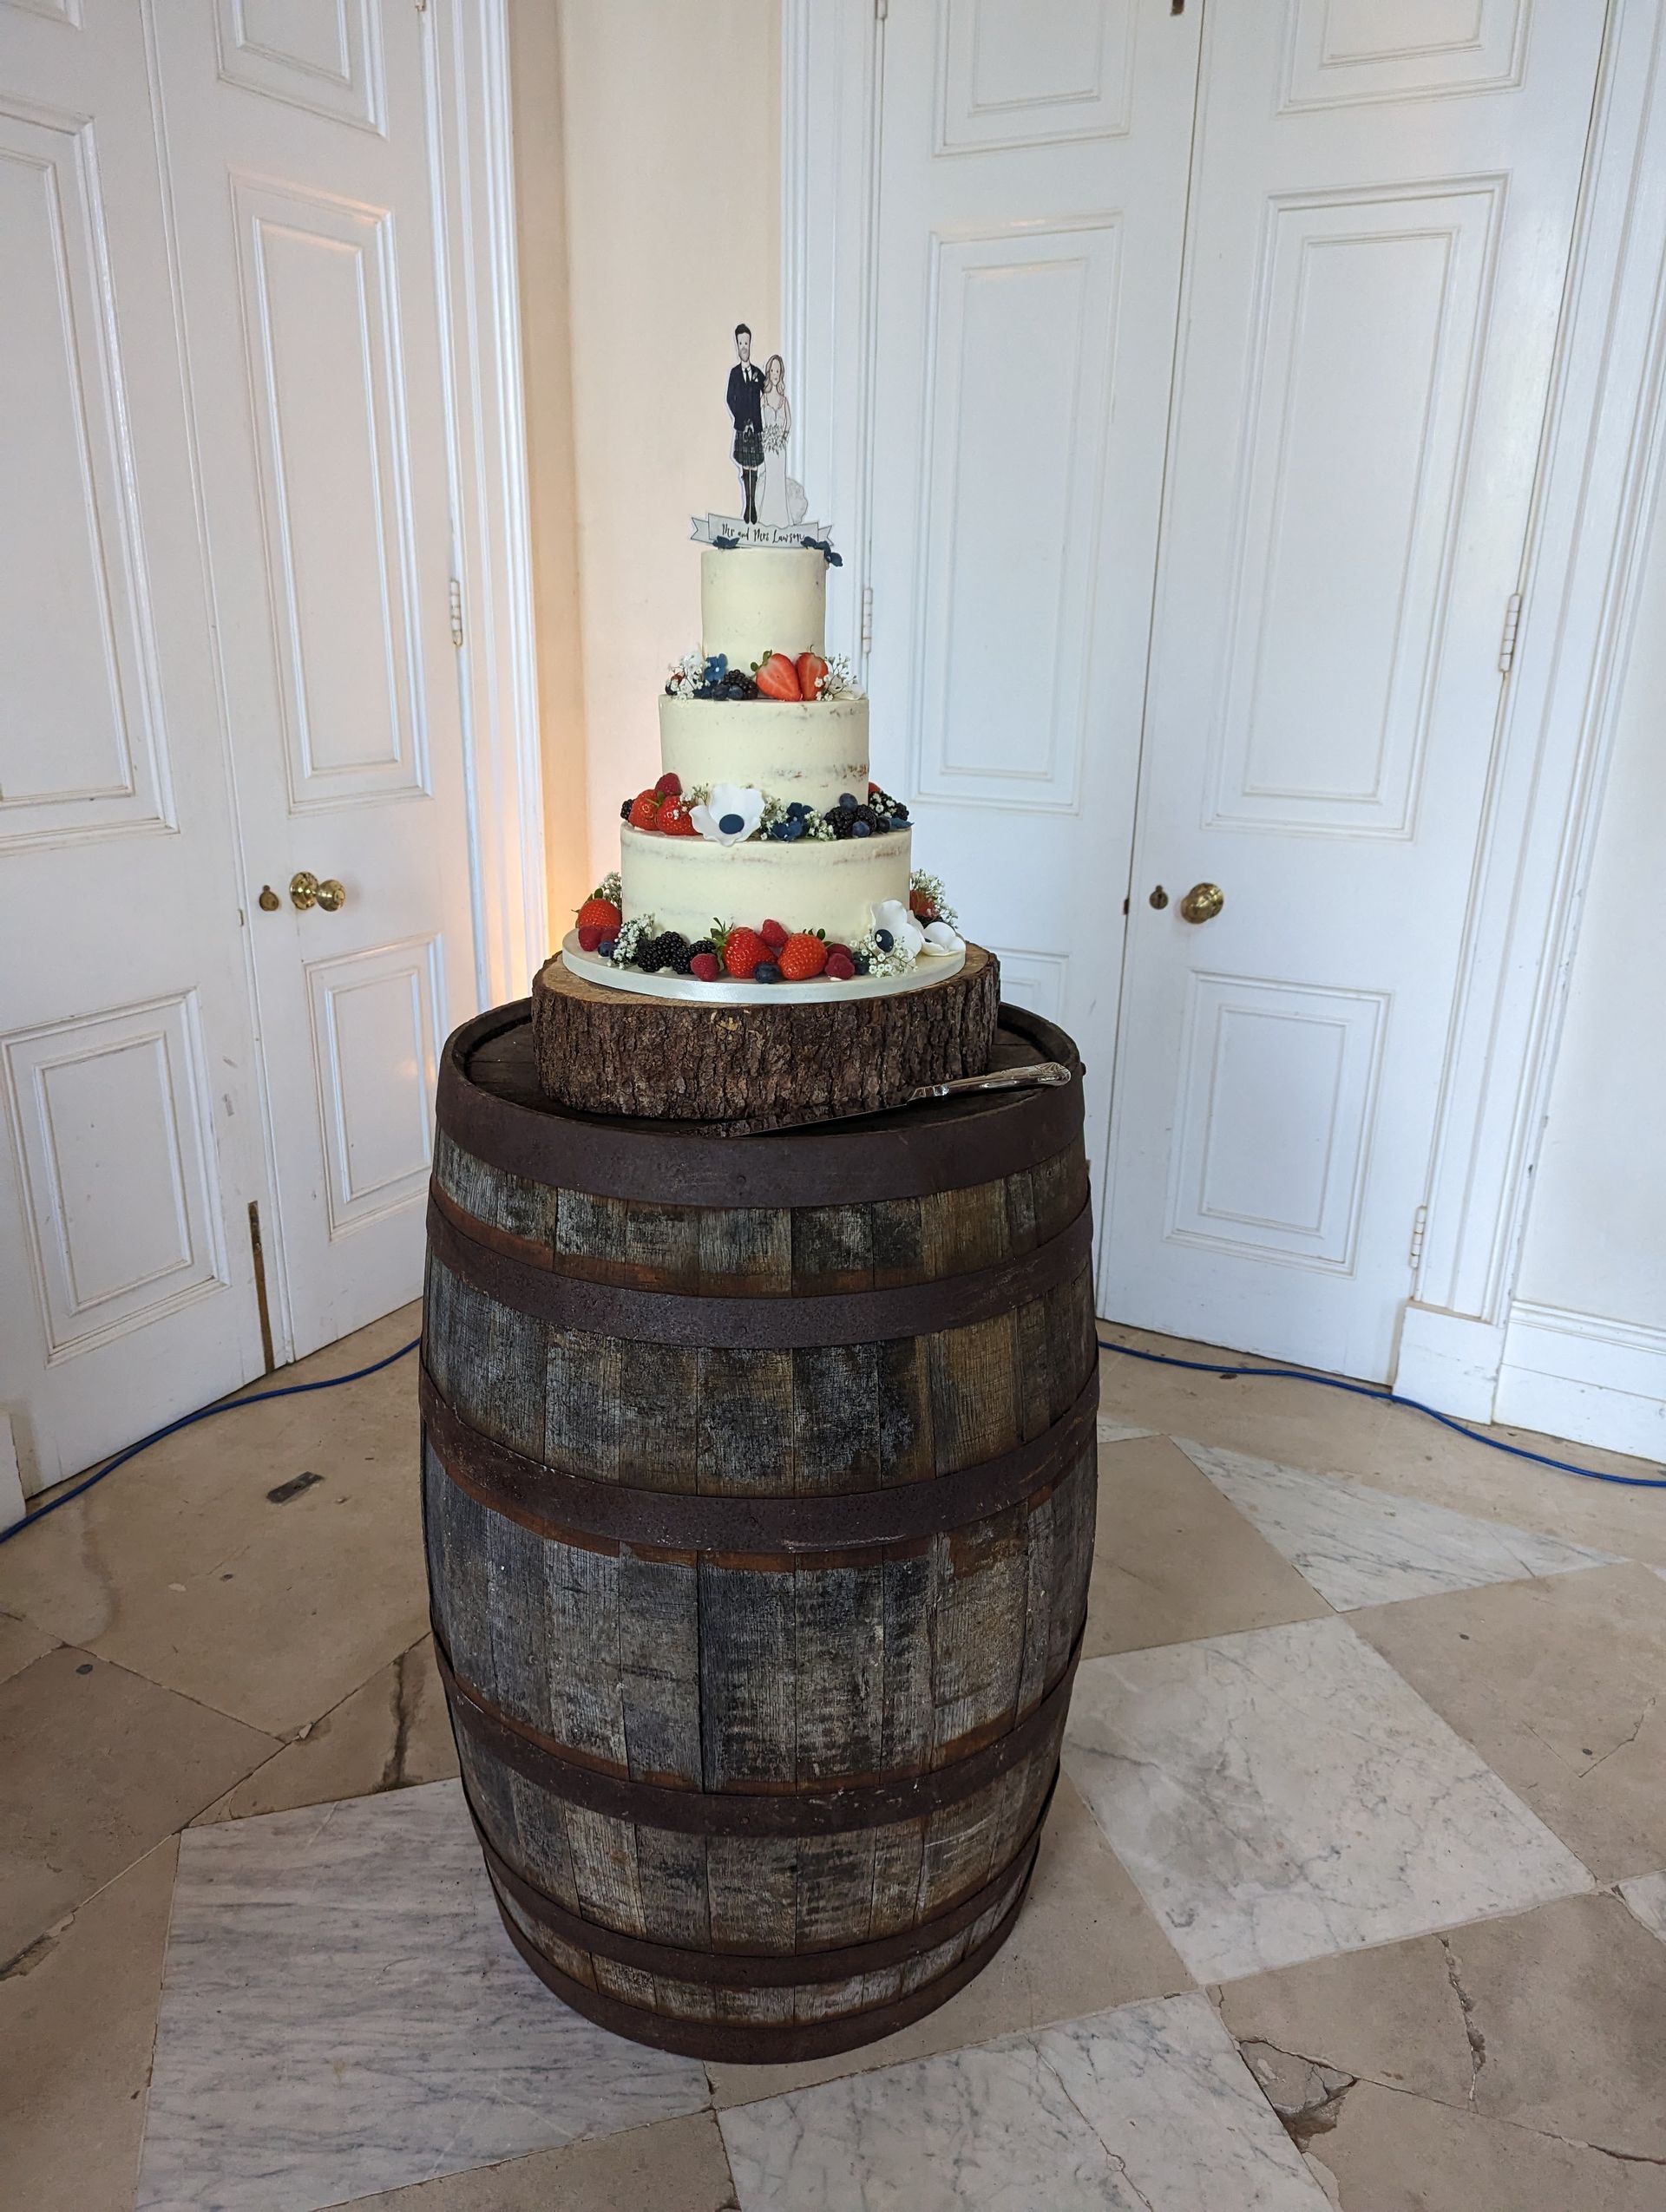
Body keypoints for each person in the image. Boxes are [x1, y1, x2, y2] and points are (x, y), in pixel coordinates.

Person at [726, 324, 765, 524]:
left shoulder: (758, 373)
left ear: (750, 344)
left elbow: (767, 394)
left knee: (754, 466)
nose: (744, 347)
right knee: (745, 467)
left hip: (756, 427)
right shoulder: (734, 374)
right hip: (743, 427)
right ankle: (747, 503)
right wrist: (742, 420)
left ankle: (753, 507)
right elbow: (730, 400)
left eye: (746, 343)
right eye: (740, 343)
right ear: (737, 345)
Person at [757, 354, 802, 527]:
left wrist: (782, 436)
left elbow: (789, 421)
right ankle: (767, 518)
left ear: (781, 373)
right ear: (768, 372)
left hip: (780, 448)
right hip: (768, 446)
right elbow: (759, 419)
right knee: (770, 479)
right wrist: (766, 436)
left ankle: (782, 519)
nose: (775, 373)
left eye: (778, 370)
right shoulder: (764, 398)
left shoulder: (784, 400)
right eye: (773, 370)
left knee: (779, 480)